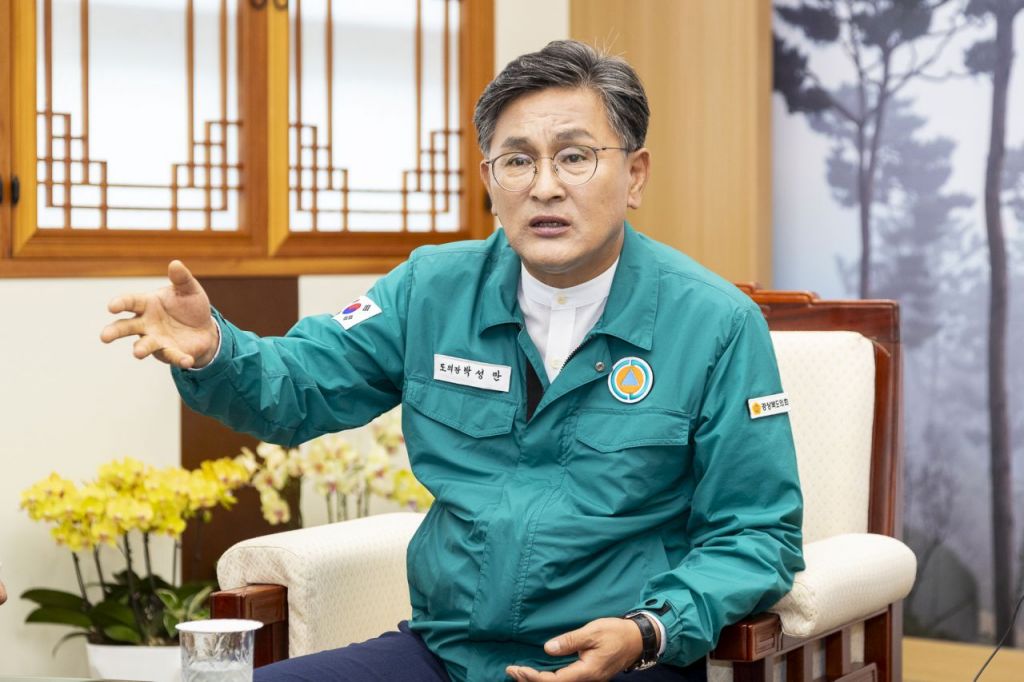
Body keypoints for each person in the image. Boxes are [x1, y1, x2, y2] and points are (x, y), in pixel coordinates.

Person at [101, 40, 803, 682]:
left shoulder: (716, 324)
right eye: (517, 160)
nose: (545, 186)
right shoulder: (430, 288)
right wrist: (215, 351)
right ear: (490, 181)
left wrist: (649, 630)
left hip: (621, 661)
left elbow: (757, 533)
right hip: (448, 654)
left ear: (635, 175)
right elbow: (298, 388)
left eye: (575, 157)